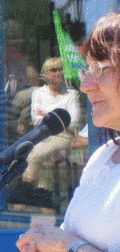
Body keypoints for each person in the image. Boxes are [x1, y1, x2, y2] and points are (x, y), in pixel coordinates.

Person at [16, 13, 120, 252]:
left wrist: (67, 247)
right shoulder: (103, 158)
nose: (86, 84)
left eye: (101, 70)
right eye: (87, 70)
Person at [22, 57, 82, 187]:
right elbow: (36, 120)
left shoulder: (71, 94)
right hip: (42, 135)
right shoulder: (38, 93)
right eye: (54, 70)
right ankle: (43, 193)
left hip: (63, 137)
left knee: (34, 156)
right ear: (45, 74)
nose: (59, 73)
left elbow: (75, 123)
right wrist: (60, 117)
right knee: (27, 154)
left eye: (61, 69)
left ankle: (26, 191)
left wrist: (46, 115)